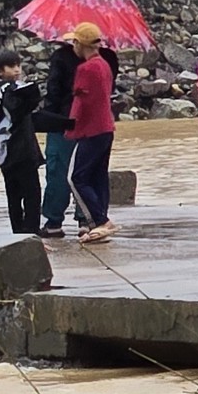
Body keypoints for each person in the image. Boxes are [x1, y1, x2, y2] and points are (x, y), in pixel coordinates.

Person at [67, 21, 117, 244]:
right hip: (106, 127)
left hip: (91, 129)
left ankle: (98, 220)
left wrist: (70, 128)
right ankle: (99, 221)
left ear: (79, 43)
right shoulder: (104, 64)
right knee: (97, 176)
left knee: (75, 178)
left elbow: (81, 102)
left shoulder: (85, 69)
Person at [0, 51, 42, 237]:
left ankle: (17, 230)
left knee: (13, 195)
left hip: (5, 152)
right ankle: (31, 231)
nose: (17, 69)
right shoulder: (9, 89)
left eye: (18, 65)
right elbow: (17, 111)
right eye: (12, 66)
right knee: (32, 193)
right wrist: (32, 95)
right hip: (21, 150)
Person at [34, 34, 80, 238]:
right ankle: (87, 218)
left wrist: (48, 115)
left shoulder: (61, 57)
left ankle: (54, 220)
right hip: (94, 125)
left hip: (62, 121)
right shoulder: (106, 58)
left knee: (58, 171)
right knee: (86, 171)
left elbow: (54, 91)